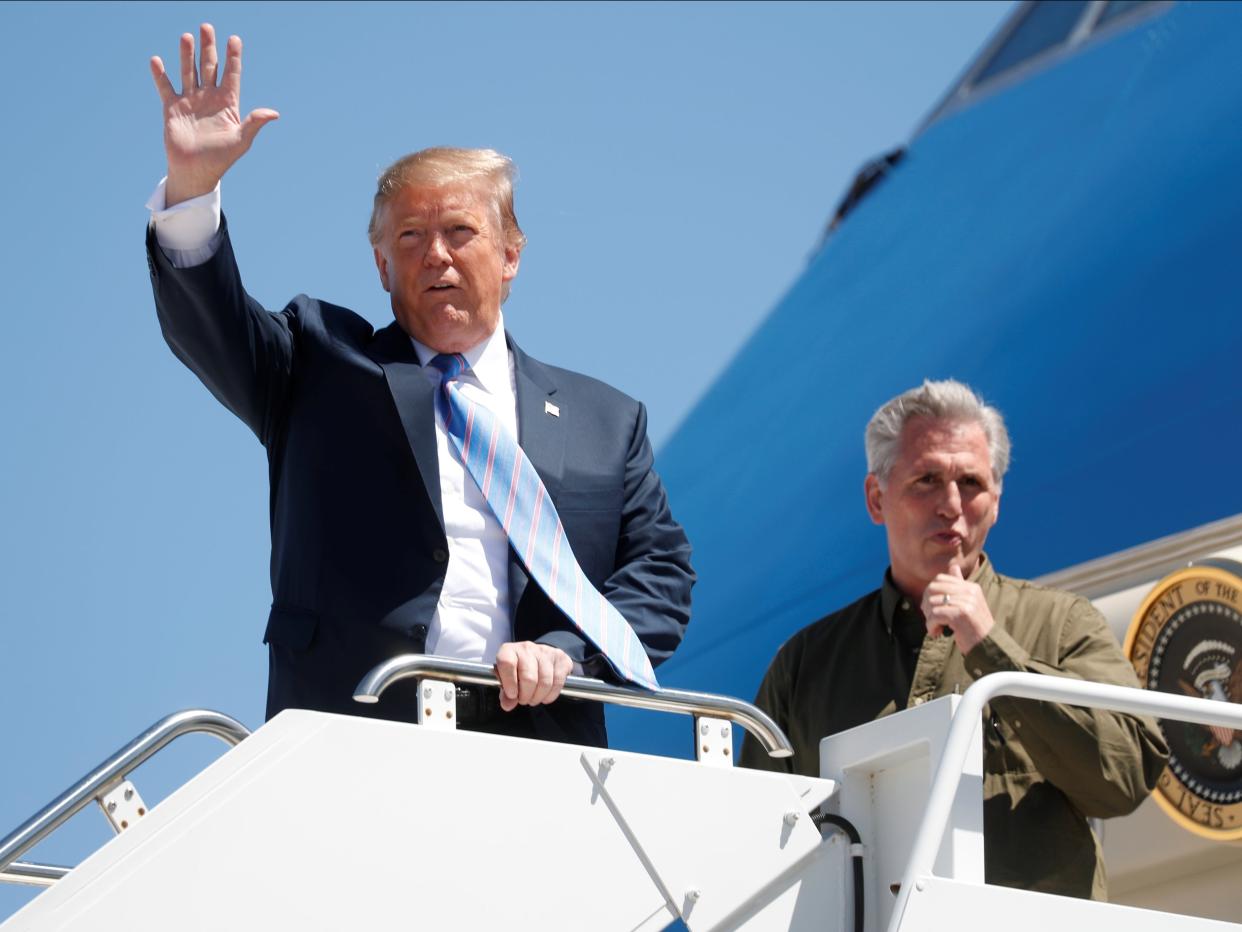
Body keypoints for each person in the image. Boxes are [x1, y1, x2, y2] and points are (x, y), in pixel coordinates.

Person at [145, 25, 694, 747]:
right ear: (380, 267)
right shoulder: (320, 363)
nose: (434, 255)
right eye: (408, 238)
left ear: (510, 255)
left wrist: (568, 653)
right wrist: (192, 188)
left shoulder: (606, 420)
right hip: (353, 742)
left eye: (459, 231)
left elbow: (660, 572)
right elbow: (211, 326)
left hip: (541, 758)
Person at [739, 379, 1167, 899]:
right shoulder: (807, 663)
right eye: (926, 480)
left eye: (971, 483)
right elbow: (755, 845)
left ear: (997, 501)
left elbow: (1124, 780)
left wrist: (990, 646)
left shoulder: (1063, 625)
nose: (951, 504)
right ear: (877, 497)